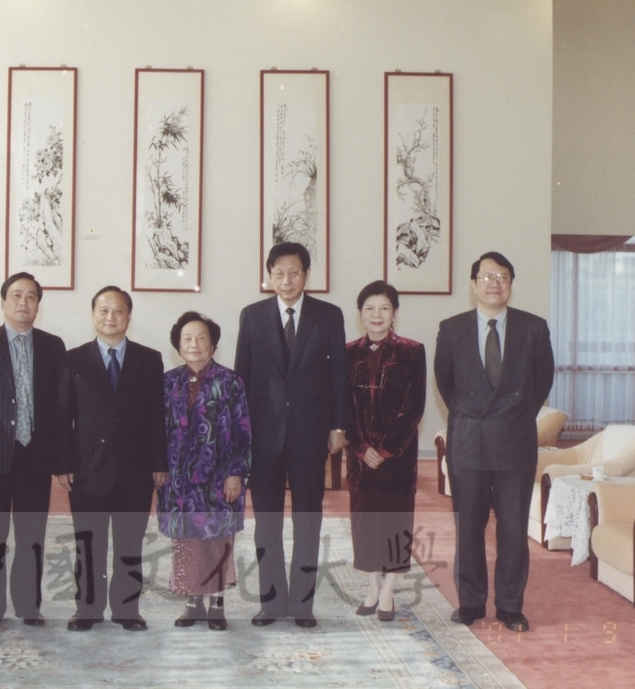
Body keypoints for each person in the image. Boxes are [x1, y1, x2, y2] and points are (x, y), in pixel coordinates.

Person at [434, 251, 554, 633]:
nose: (494, 283)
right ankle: (470, 603)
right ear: (473, 285)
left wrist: (514, 415)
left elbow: (543, 380)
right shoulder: (451, 329)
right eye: (487, 276)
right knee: (469, 528)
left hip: (514, 441)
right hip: (468, 443)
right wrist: (473, 417)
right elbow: (446, 383)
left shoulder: (534, 328)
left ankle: (510, 606)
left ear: (511, 284)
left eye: (502, 276)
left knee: (513, 529)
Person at [234, 242, 348, 628]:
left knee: (307, 521)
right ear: (269, 276)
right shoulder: (252, 316)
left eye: (294, 272)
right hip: (264, 436)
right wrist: (241, 433)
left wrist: (338, 426)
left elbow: (339, 375)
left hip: (310, 434)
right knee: (267, 523)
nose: (287, 280)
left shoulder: (328, 315)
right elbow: (242, 378)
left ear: (306, 275)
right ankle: (271, 604)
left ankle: (302, 605)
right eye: (279, 273)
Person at [0, 272, 72, 629]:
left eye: (31, 297)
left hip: (35, 456)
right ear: (4, 302)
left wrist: (61, 459)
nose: (24, 302)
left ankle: (28, 606)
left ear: (38, 306)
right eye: (17, 295)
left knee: (31, 536)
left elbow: (61, 407)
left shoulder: (53, 345)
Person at [57, 286, 168, 632]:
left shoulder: (149, 359)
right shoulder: (73, 359)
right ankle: (87, 610)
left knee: (130, 543)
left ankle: (126, 609)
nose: (111, 317)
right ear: (93, 315)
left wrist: (160, 462)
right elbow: (62, 416)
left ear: (129, 316)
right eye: (103, 310)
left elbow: (157, 416)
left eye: (118, 311)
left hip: (136, 469)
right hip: (87, 468)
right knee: (88, 544)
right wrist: (62, 464)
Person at [157, 311, 251, 631]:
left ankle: (217, 603)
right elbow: (157, 432)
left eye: (201, 338)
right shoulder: (168, 382)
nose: (194, 344)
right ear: (178, 345)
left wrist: (236, 473)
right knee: (186, 541)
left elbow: (242, 432)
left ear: (213, 345)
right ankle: (193, 602)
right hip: (179, 481)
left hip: (219, 478)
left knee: (217, 540)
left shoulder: (230, 381)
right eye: (187, 338)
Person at [344, 280, 426, 622]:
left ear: (394, 313)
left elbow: (414, 407)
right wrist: (361, 448)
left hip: (398, 456)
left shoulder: (412, 351)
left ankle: (390, 589)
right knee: (364, 523)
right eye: (369, 308)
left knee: (395, 522)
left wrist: (387, 449)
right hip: (360, 457)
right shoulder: (348, 352)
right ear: (360, 313)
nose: (376, 315)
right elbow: (342, 408)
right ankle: (372, 587)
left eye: (384, 308)